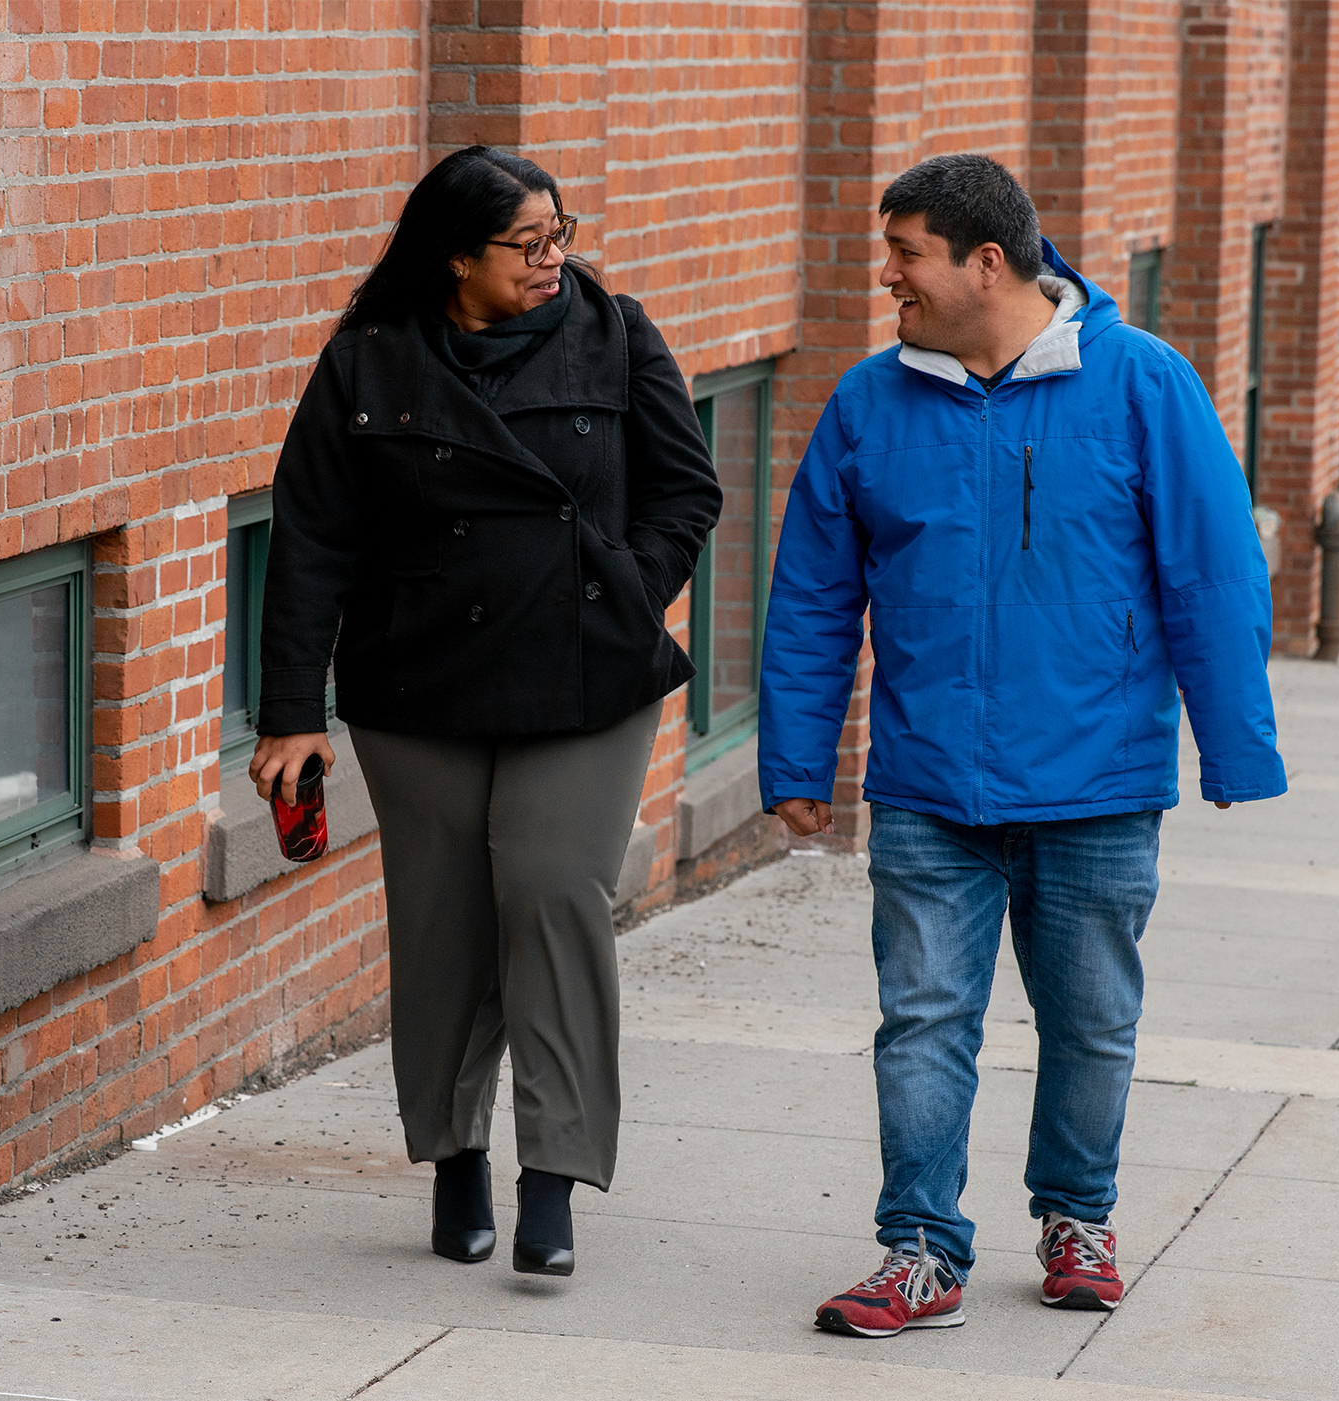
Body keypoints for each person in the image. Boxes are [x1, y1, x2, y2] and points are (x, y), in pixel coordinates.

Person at [758, 153, 1286, 1336]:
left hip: (1098, 782)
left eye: (905, 254)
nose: (885, 273)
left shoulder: (1142, 382)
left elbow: (1213, 571)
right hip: (929, 782)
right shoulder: (866, 401)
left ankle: (1077, 1215)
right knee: (925, 1021)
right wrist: (797, 763)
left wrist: (1234, 747)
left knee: (1091, 1021)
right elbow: (810, 598)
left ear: (984, 262)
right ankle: (920, 1251)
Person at [250, 145, 722, 1277]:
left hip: (586, 680)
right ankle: (455, 1155)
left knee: (553, 897)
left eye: (560, 233)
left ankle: (552, 1177)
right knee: (446, 918)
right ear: (455, 257)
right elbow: (311, 534)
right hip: (421, 685)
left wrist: (615, 590)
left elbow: (686, 487)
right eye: (529, 243)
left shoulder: (614, 332)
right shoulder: (370, 360)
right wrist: (289, 712)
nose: (555, 257)